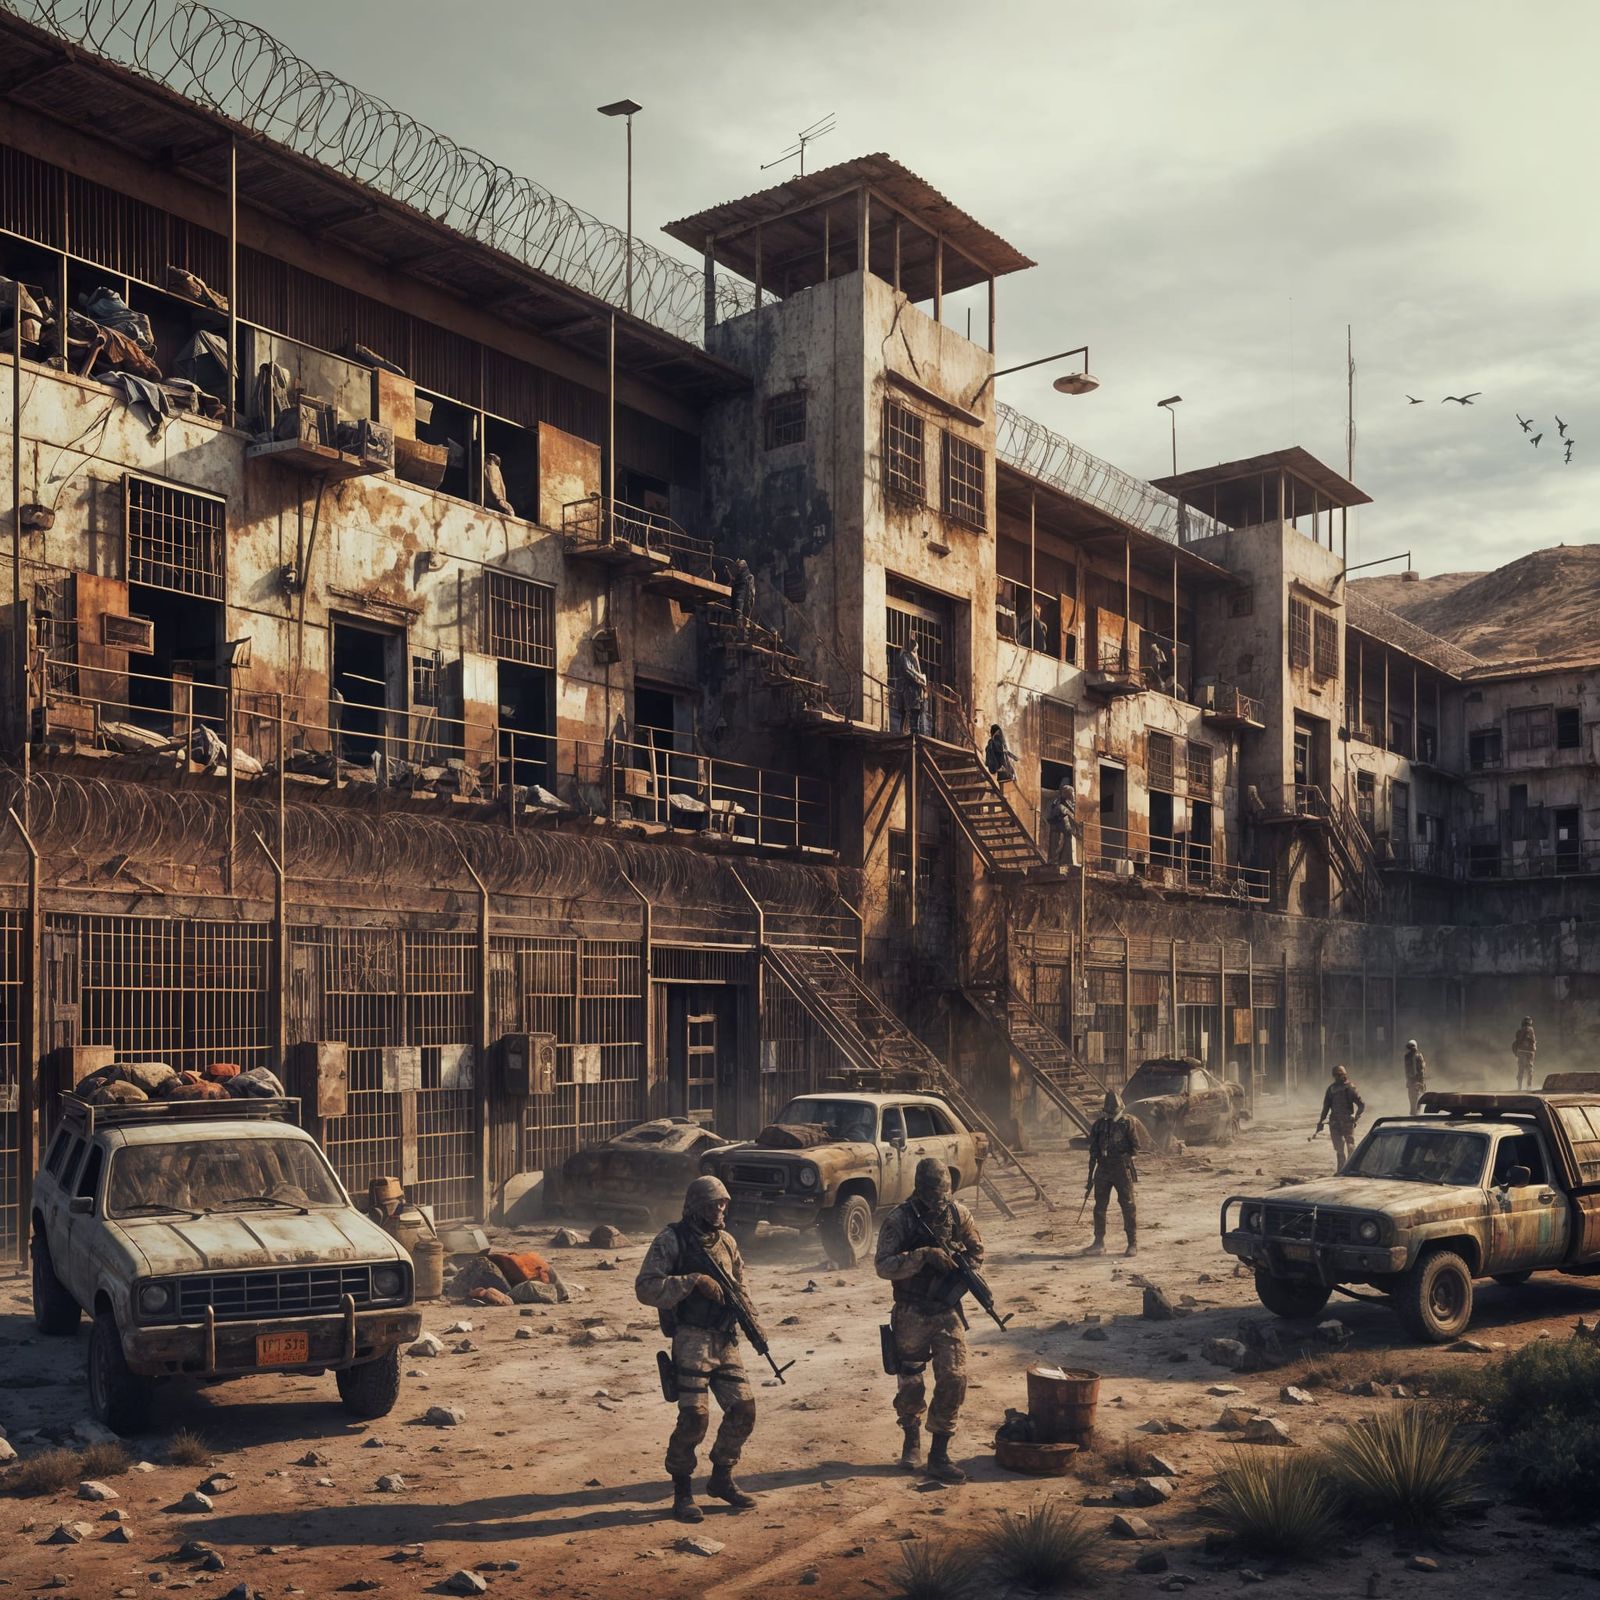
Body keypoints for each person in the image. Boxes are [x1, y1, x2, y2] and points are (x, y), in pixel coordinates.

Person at [635, 1177, 760, 1524]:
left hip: (725, 1338)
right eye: (713, 1204)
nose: (720, 1210)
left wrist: (751, 1320)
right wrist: (692, 1281)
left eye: (724, 1203)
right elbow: (646, 1287)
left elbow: (740, 1283)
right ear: (695, 1206)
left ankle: (722, 1477)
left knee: (744, 1410)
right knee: (695, 1419)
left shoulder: (728, 1242)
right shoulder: (672, 1240)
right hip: (691, 1339)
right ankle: (683, 1490)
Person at [874, 1157, 985, 1484]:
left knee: (954, 1377)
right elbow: (883, 1265)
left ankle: (939, 1453)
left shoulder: (958, 1215)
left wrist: (957, 1262)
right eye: (935, 1192)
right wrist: (922, 1256)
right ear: (920, 1188)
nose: (941, 1199)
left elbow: (978, 1252)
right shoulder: (900, 1220)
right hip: (911, 1311)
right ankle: (911, 1437)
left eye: (945, 1192)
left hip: (946, 1310)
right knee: (912, 1382)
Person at [1085, 1091, 1139, 1257]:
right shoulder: (1099, 1125)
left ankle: (1132, 1243)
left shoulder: (1128, 1123)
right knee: (1099, 1207)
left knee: (1128, 1206)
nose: (1111, 1114)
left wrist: (1125, 1158)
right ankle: (1098, 1242)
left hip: (1121, 1170)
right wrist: (1090, 1176)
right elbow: (1093, 1151)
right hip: (1103, 1169)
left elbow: (1136, 1147)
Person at [1315, 1064, 1365, 1171]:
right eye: (1337, 1075)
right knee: (1340, 1149)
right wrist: (1320, 1121)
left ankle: (1349, 1169)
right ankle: (1344, 1169)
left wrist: (1356, 1117)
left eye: (1340, 1075)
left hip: (1344, 1121)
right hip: (1337, 1122)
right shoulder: (1335, 1089)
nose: (1339, 1077)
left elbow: (1361, 1105)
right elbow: (1326, 1107)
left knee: (1350, 1146)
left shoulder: (1346, 1088)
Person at [895, 637, 929, 735]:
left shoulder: (913, 658)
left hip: (915, 689)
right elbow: (908, 670)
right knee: (907, 711)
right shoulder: (905, 657)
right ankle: (904, 732)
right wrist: (920, 678)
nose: (915, 652)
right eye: (915, 650)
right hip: (908, 688)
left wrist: (921, 680)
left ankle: (915, 731)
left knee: (916, 711)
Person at [1047, 775, 1078, 868]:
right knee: (1057, 845)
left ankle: (1062, 861)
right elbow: (1063, 813)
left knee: (1064, 842)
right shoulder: (1058, 802)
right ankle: (1055, 861)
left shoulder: (1066, 802)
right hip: (1057, 826)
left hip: (1061, 826)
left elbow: (1071, 812)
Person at [730, 559, 757, 636]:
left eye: (739, 568)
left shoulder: (749, 577)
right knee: (738, 617)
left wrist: (751, 599)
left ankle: (743, 631)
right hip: (738, 601)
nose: (738, 569)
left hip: (744, 601)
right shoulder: (738, 578)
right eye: (738, 568)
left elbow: (751, 592)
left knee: (741, 617)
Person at [1404, 1038, 1427, 1115]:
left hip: (1416, 1081)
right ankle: (1414, 1115)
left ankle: (1416, 1115)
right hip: (1413, 1082)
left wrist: (1422, 1082)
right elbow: (1408, 1071)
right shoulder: (1408, 1057)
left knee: (1417, 1101)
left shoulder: (1417, 1056)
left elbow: (1421, 1071)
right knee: (1413, 1101)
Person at [1513, 1016, 1538, 1090]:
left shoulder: (1521, 1031)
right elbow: (1533, 1044)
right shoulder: (1531, 1031)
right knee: (1529, 1069)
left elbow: (1516, 1042)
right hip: (1529, 1052)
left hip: (1522, 1051)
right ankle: (1528, 1086)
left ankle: (1520, 1087)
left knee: (1521, 1069)